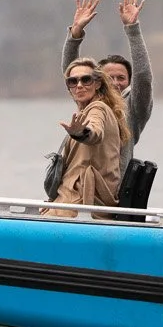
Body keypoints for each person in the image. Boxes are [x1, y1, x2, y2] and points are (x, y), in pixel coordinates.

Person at [62, 0, 153, 165]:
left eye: (121, 78)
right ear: (97, 82)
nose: (115, 83)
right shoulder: (90, 100)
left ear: (129, 82)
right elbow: (73, 73)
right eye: (109, 77)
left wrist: (133, 30)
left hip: (110, 188)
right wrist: (75, 33)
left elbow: (143, 77)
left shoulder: (133, 109)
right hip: (77, 183)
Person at [43, 58, 129, 213]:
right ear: (69, 88)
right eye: (73, 82)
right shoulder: (90, 109)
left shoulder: (98, 108)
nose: (79, 85)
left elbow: (95, 131)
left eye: (86, 79)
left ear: (98, 83)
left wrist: (82, 133)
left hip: (79, 204)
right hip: (71, 201)